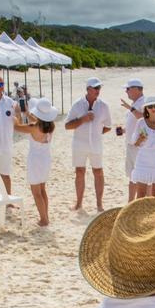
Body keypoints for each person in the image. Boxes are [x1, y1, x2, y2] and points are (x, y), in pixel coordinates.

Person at [64, 77, 112, 212]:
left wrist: (96, 133)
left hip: (96, 145)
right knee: (79, 172)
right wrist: (83, 119)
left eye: (99, 88)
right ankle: (78, 203)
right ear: (88, 89)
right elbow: (67, 126)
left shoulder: (104, 106)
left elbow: (108, 126)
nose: (98, 90)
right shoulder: (77, 104)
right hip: (79, 145)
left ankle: (99, 204)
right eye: (96, 88)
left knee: (98, 172)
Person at [15, 98, 57, 226]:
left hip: (35, 160)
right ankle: (45, 216)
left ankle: (44, 219)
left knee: (36, 192)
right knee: (42, 189)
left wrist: (17, 114)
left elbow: (17, 127)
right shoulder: (50, 126)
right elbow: (38, 123)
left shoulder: (34, 127)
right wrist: (27, 114)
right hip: (45, 159)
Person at [128, 97, 155, 199]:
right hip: (143, 161)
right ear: (146, 109)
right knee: (141, 195)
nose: (153, 108)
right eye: (150, 106)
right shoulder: (141, 122)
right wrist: (140, 139)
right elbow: (135, 143)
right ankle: (140, 215)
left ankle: (154, 215)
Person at [116, 78, 146, 203]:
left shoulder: (144, 103)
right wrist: (123, 130)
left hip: (140, 147)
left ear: (136, 89)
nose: (126, 92)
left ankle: (143, 204)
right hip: (130, 145)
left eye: (128, 89)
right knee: (132, 177)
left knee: (142, 178)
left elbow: (144, 118)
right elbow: (134, 124)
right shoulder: (135, 104)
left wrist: (130, 108)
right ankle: (130, 203)